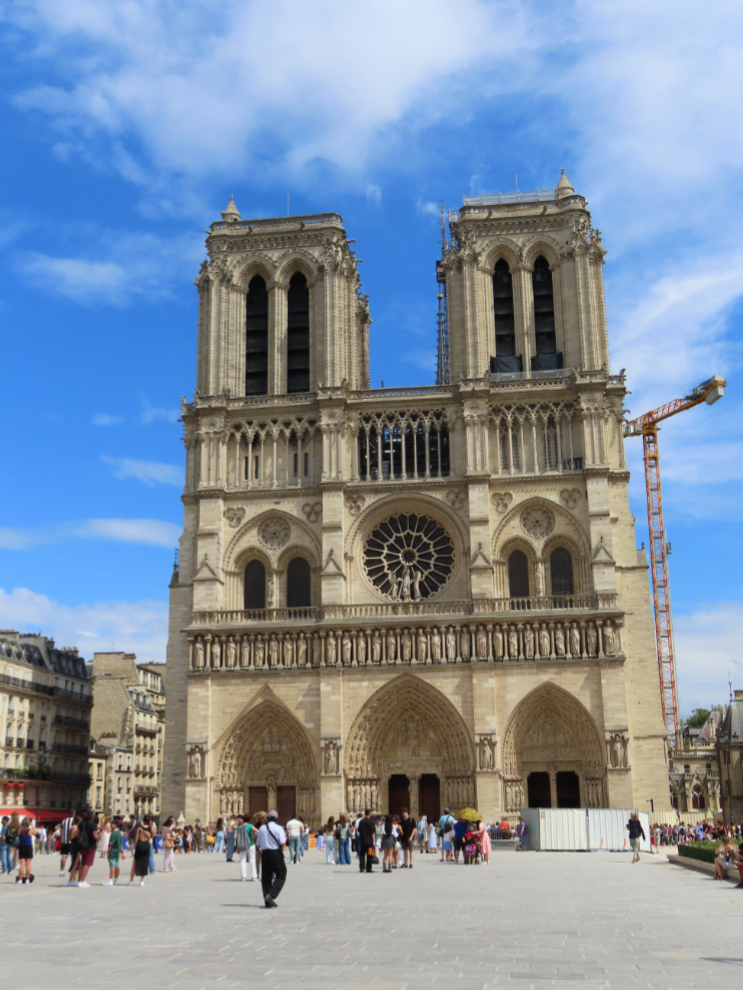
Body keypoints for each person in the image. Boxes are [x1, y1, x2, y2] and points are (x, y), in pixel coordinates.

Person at [255, 810, 287, 908]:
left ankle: (267, 900)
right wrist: (281, 853)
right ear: (277, 819)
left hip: (265, 853)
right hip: (275, 853)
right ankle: (271, 896)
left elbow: (258, 844)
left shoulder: (262, 828)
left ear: (267, 818)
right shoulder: (279, 828)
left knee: (266, 877)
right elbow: (283, 843)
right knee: (281, 874)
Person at [75, 811, 101, 887]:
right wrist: (100, 834)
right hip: (91, 846)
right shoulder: (93, 824)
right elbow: (95, 836)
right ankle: (82, 881)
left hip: (83, 845)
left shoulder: (82, 823)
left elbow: (77, 834)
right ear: (93, 816)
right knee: (87, 864)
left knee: (83, 863)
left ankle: (79, 880)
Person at [130, 815, 155, 886]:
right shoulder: (151, 828)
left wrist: (136, 847)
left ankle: (131, 881)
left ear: (143, 821)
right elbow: (152, 836)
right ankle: (141, 881)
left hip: (140, 845)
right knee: (144, 864)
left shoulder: (139, 828)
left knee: (134, 864)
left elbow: (136, 839)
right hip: (146, 846)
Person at [235, 815, 258, 881]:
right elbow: (258, 831)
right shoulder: (250, 826)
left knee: (242, 860)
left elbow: (237, 837)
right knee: (252, 860)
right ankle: (253, 876)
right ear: (249, 820)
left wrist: (237, 847)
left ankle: (243, 876)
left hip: (242, 845)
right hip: (251, 844)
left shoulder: (239, 827)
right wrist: (254, 836)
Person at [16, 817, 37, 884]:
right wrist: (32, 825)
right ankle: (27, 880)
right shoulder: (30, 831)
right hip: (28, 847)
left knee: (22, 864)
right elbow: (36, 832)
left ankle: (20, 880)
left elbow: (17, 834)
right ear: (28, 824)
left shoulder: (19, 830)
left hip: (22, 847)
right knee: (28, 864)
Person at [356, 809, 377, 874]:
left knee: (362, 854)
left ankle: (362, 868)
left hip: (362, 840)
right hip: (369, 841)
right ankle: (368, 868)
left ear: (365, 814)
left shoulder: (361, 821)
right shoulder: (371, 822)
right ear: (370, 814)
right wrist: (373, 841)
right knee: (369, 855)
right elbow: (373, 833)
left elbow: (359, 830)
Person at [104, 820, 124, 885]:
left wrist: (108, 852)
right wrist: (121, 852)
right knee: (117, 866)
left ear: (116, 825)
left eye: (112, 824)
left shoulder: (114, 834)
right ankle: (116, 880)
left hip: (113, 851)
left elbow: (111, 844)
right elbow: (120, 844)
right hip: (117, 852)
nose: (111, 825)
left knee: (112, 866)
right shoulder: (119, 833)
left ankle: (110, 880)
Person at [58, 810, 75, 878]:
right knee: (73, 856)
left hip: (65, 840)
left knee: (64, 856)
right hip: (72, 841)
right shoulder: (74, 820)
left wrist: (61, 837)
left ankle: (62, 871)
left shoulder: (64, 821)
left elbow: (61, 830)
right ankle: (73, 870)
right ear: (74, 814)